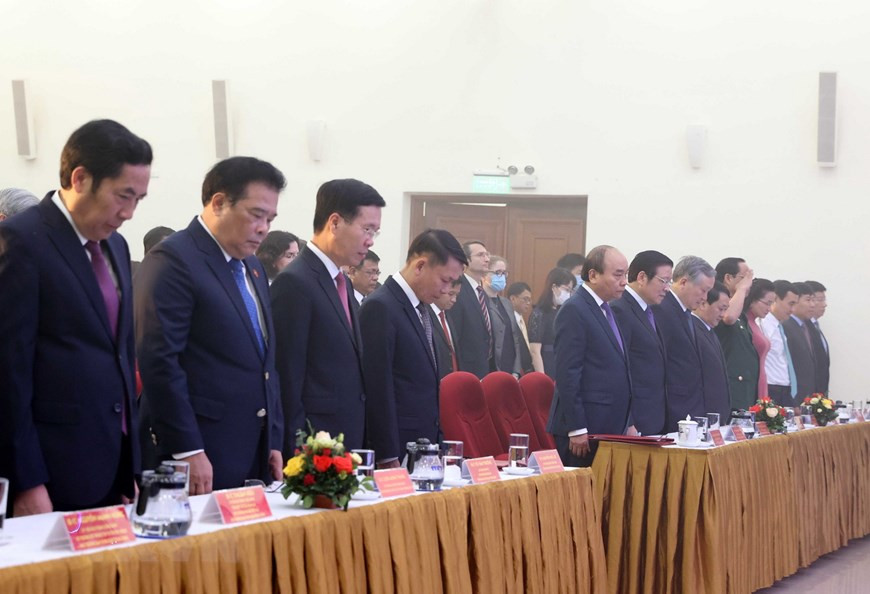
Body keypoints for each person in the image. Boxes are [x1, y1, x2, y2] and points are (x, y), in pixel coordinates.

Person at [0, 119, 151, 515]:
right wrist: (27, 480)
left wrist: (130, 464)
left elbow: (120, 356)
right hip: (50, 471)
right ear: (80, 178)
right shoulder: (21, 240)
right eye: (123, 196)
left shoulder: (117, 246)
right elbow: (8, 372)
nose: (129, 212)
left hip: (112, 466)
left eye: (138, 199)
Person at [135, 156, 286, 494]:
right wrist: (187, 448)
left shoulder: (252, 267)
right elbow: (160, 361)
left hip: (253, 449)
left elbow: (265, 362)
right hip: (198, 451)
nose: (264, 228)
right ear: (218, 203)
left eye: (270, 219)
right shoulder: (173, 260)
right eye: (256, 214)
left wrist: (273, 438)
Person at [271, 179, 385, 456]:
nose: (370, 241)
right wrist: (297, 449)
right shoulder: (296, 282)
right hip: (313, 448)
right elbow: (287, 377)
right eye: (367, 229)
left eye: (375, 232)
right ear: (334, 223)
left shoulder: (339, 281)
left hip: (344, 441)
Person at [361, 229, 467, 466]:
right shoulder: (381, 307)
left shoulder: (422, 308)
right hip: (396, 451)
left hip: (423, 449)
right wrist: (387, 455)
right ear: (420, 266)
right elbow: (378, 388)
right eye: (445, 280)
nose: (446, 290)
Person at [546, 245, 632, 467]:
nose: (624, 281)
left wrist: (629, 420)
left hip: (609, 424)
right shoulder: (575, 309)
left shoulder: (607, 309)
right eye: (618, 275)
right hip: (584, 429)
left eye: (626, 274)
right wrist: (577, 427)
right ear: (593, 275)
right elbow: (568, 373)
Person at [611, 250, 672, 436]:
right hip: (634, 420)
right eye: (663, 281)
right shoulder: (620, 309)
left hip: (652, 416)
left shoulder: (648, 310)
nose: (667, 288)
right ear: (642, 277)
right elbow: (619, 371)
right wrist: (629, 421)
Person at [653, 255, 715, 430]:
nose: (705, 297)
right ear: (683, 282)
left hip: (690, 409)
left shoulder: (686, 313)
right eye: (703, 290)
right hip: (671, 410)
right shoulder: (661, 309)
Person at [715, 278, 774, 411]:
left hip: (755, 381)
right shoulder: (738, 320)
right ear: (753, 300)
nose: (769, 309)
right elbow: (729, 317)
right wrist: (742, 289)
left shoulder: (751, 322)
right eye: (767, 303)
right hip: (740, 384)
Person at [447, 241, 494, 378]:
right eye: (480, 255)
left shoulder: (482, 292)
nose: (487, 259)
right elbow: (455, 333)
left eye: (487, 255)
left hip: (485, 367)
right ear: (466, 261)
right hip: (465, 369)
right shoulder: (458, 289)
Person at [692, 282, 733, 423]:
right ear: (703, 304)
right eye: (720, 309)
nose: (723, 315)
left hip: (715, 417)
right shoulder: (693, 330)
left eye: (725, 309)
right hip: (701, 416)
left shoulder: (709, 331)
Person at [528, 267, 576, 378]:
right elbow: (535, 351)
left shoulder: (563, 312)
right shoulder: (539, 313)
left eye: (570, 291)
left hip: (563, 363)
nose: (568, 294)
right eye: (566, 289)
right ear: (554, 287)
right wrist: (542, 377)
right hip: (548, 364)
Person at [481, 255, 523, 376]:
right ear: (484, 275)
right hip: (491, 366)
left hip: (509, 365)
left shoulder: (506, 303)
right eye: (497, 272)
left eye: (504, 273)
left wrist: (516, 370)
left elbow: (515, 337)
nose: (502, 276)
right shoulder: (480, 301)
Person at [760, 280, 800, 406]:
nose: (792, 310)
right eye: (790, 304)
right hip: (771, 388)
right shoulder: (764, 325)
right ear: (775, 299)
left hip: (784, 388)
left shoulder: (779, 327)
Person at [781, 282, 818, 401]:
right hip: (793, 395)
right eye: (808, 300)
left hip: (808, 396)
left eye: (813, 300)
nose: (813, 305)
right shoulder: (786, 326)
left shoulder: (809, 326)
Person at [429, 279, 462, 380]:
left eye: (456, 295)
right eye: (451, 294)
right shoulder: (425, 315)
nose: (454, 300)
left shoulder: (449, 315)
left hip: (453, 380)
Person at [805, 280, 830, 395]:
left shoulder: (815, 325)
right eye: (820, 300)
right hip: (809, 393)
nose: (825, 304)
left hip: (820, 391)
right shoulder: (804, 327)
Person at [715, 257, 754, 326]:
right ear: (728, 278)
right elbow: (729, 317)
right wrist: (742, 288)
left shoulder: (741, 310)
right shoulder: (714, 299)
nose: (749, 283)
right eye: (745, 278)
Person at [507, 281, 534, 374]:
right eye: (525, 299)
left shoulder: (522, 320)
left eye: (529, 300)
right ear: (513, 299)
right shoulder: (507, 320)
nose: (528, 303)